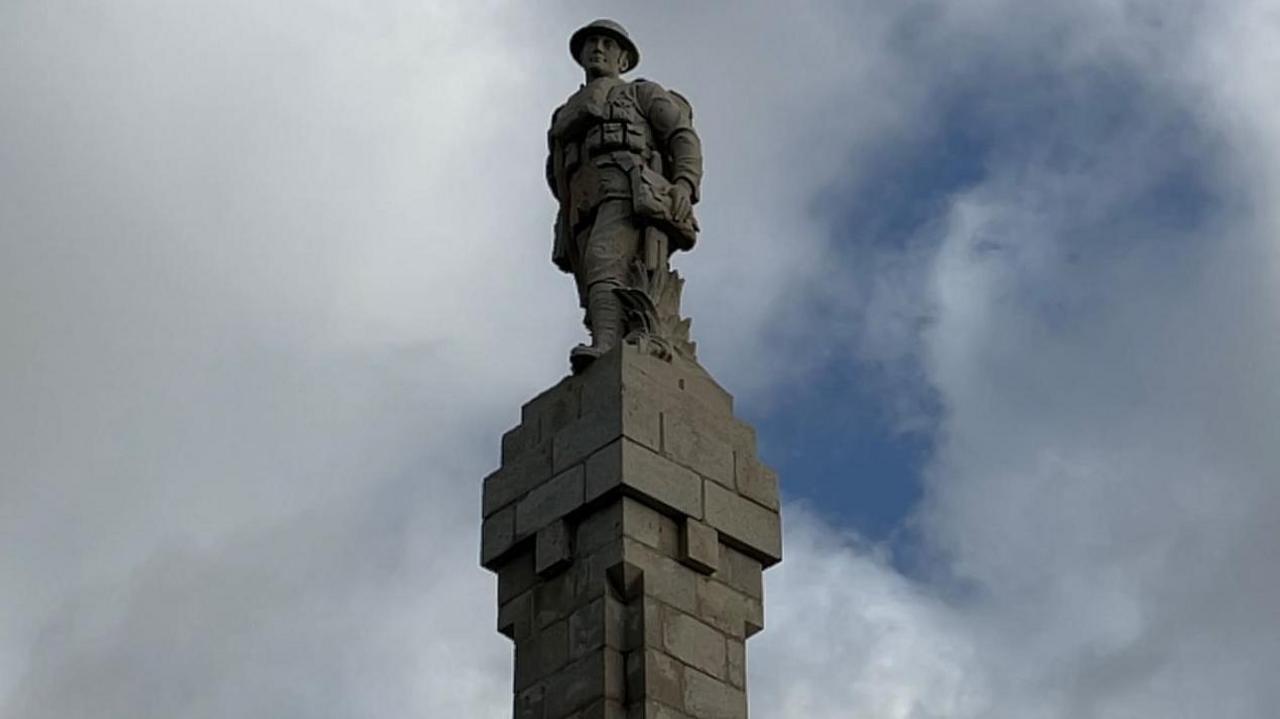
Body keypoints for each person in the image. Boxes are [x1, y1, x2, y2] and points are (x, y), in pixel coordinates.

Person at [546, 19, 704, 371]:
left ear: (624, 59)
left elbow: (682, 136)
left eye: (607, 43)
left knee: (604, 261)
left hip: (626, 188)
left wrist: (684, 183)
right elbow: (555, 169)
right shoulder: (564, 113)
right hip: (581, 201)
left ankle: (605, 345)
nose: (598, 49)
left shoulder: (640, 94)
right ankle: (611, 334)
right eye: (591, 43)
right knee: (593, 279)